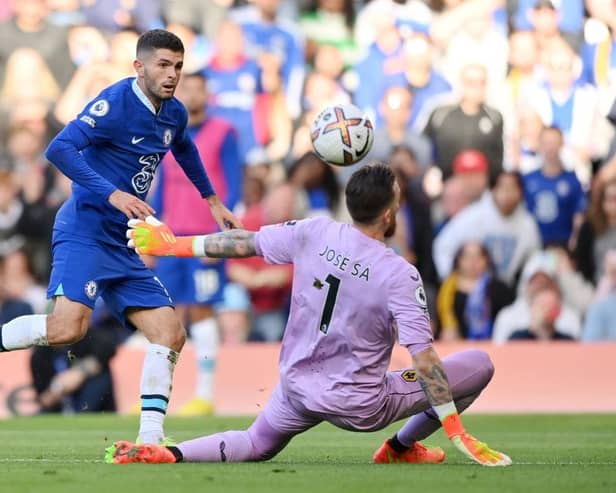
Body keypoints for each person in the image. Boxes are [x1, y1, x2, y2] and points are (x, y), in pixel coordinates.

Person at [108, 164, 511, 467]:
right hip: (359, 404)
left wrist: (173, 245)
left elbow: (243, 243)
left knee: (256, 444)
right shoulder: (399, 274)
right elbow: (424, 361)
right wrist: (457, 432)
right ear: (389, 215)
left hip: (297, 386)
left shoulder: (314, 232)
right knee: (478, 365)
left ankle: (169, 453)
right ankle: (400, 448)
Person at [0, 29, 240, 445]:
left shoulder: (174, 113)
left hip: (123, 240)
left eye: (178, 66)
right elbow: (59, 148)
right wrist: (112, 193)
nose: (171, 75)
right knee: (66, 330)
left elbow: (183, 148)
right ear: (139, 66)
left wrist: (213, 200)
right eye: (163, 65)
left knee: (170, 333)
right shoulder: (115, 103)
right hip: (85, 231)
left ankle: (151, 441)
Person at [148, 70, 242, 416]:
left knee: (202, 309)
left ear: (208, 94)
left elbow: (234, 186)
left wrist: (225, 238)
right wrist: (151, 233)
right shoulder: (167, 133)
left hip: (205, 239)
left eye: (197, 88)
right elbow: (160, 188)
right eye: (186, 87)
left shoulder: (224, 133)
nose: (191, 93)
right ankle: (159, 393)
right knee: (164, 310)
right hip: (170, 237)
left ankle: (205, 395)